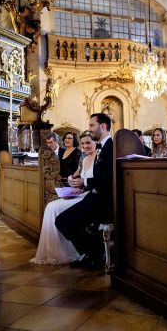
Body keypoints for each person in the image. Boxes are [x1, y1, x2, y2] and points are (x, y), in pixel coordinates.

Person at [55, 113, 113, 270]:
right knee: (60, 221)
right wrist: (82, 184)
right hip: (93, 197)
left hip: (102, 201)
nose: (89, 129)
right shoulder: (102, 146)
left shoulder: (111, 147)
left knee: (68, 224)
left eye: (91, 125)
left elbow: (108, 178)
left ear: (103, 126)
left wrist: (84, 182)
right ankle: (93, 252)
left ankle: (95, 253)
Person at [31, 131, 97, 265]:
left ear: (95, 142)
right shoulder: (84, 160)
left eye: (88, 143)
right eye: (83, 143)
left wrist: (83, 183)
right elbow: (81, 182)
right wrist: (73, 185)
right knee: (50, 206)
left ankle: (71, 251)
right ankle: (52, 251)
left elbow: (95, 182)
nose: (85, 146)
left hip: (90, 196)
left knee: (55, 210)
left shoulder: (99, 158)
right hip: (80, 193)